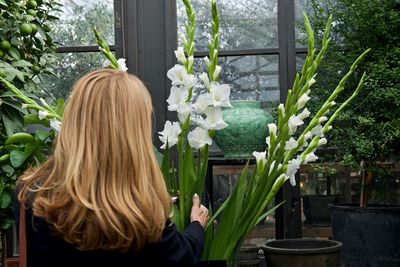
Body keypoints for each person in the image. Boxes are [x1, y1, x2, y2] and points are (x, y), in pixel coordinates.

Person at [14, 69, 209, 267]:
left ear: (74, 119)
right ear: (134, 132)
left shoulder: (29, 192)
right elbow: (183, 256)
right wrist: (197, 224)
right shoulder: (141, 212)